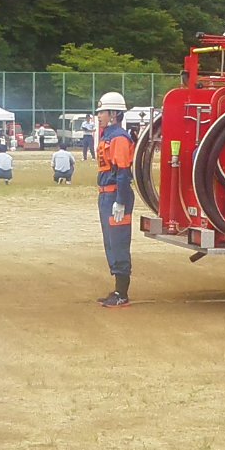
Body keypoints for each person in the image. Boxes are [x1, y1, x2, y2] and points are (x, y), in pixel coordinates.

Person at [95, 92, 135, 308]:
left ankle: (122, 293)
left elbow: (122, 170)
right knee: (110, 242)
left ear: (114, 113)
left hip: (115, 194)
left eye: (102, 111)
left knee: (118, 242)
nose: (99, 115)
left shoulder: (118, 137)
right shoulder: (108, 135)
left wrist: (120, 200)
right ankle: (118, 288)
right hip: (106, 194)